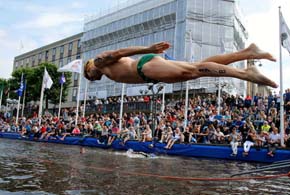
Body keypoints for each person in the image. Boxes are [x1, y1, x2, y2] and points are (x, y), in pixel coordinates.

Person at [84, 42, 278, 88]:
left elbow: (118, 53)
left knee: (193, 71)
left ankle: (246, 73)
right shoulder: (105, 70)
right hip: (149, 71)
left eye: (88, 76)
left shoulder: (100, 62)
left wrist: (147, 49)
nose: (91, 80)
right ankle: (247, 53)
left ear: (89, 68)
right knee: (198, 66)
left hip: (145, 67)